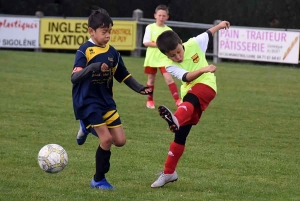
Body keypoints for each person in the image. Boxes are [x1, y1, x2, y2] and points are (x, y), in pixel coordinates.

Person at [71, 9, 152, 190]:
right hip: (88, 102)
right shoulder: (84, 51)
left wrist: (140, 87)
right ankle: (98, 179)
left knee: (120, 141)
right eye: (103, 32)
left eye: (110, 32)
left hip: (106, 101)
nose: (108, 36)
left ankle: (86, 127)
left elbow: (123, 75)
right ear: (91, 31)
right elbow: (74, 78)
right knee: (106, 140)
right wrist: (93, 67)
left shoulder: (113, 53)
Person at [150, 20, 230, 188]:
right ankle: (169, 172)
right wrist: (203, 69)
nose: (177, 57)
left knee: (189, 102)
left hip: (207, 86)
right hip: (189, 97)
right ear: (166, 56)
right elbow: (186, 77)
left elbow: (209, 32)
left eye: (178, 52)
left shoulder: (194, 43)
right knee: (180, 136)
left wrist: (221, 25)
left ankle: (175, 119)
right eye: (172, 55)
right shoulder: (169, 66)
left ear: (181, 43)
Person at [143, 5, 180, 109]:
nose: (161, 17)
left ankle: (178, 100)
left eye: (164, 15)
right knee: (151, 80)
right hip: (152, 58)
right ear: (155, 16)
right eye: (159, 15)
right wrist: (160, 45)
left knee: (169, 78)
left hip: (165, 58)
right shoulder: (150, 27)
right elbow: (146, 42)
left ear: (167, 17)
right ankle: (150, 101)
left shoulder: (169, 30)